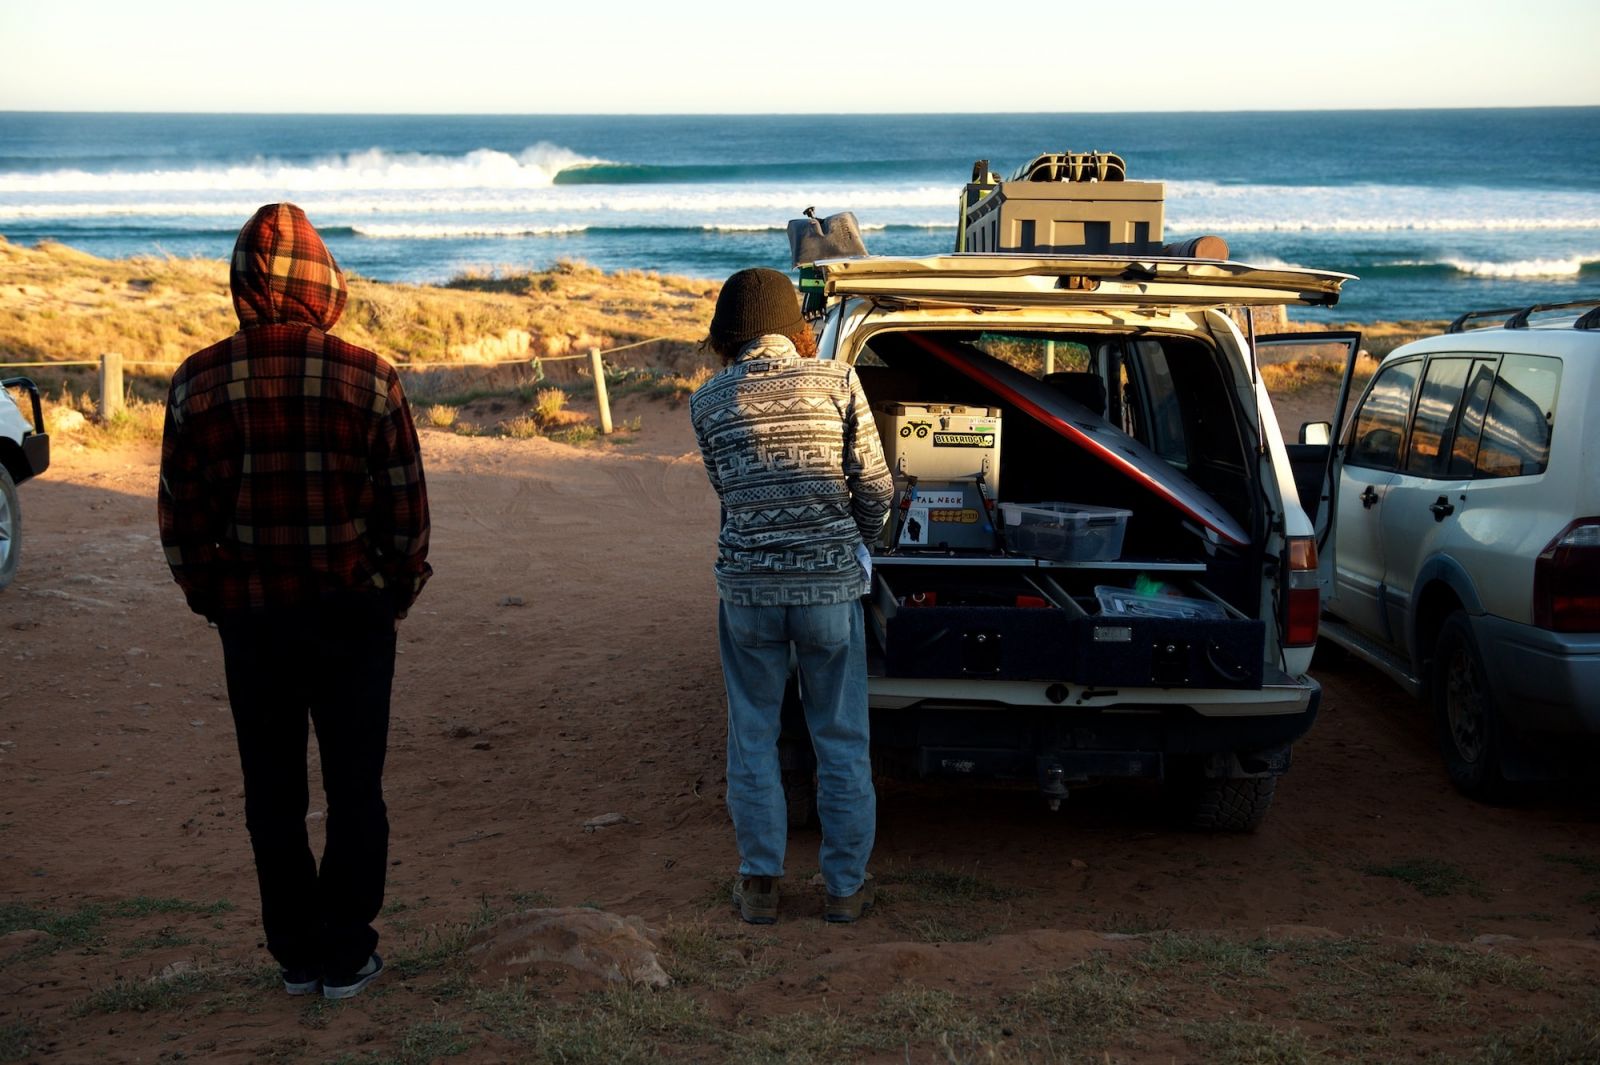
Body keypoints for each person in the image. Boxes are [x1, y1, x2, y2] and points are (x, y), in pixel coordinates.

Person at [157, 203, 431, 999]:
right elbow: (406, 517)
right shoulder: (369, 376)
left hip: (253, 620)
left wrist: (216, 597)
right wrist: (392, 594)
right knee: (355, 786)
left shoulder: (197, 382)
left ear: (241, 284)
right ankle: (347, 951)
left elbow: (182, 521)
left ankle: (296, 954)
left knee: (271, 792)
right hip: (352, 616)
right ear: (327, 284)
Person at [689, 267, 893, 924]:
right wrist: (851, 546)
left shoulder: (707, 402)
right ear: (796, 328)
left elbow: (730, 495)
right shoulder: (836, 381)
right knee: (840, 736)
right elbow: (878, 490)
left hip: (748, 592)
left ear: (727, 334)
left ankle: (758, 886)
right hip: (829, 590)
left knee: (752, 735)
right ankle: (845, 888)